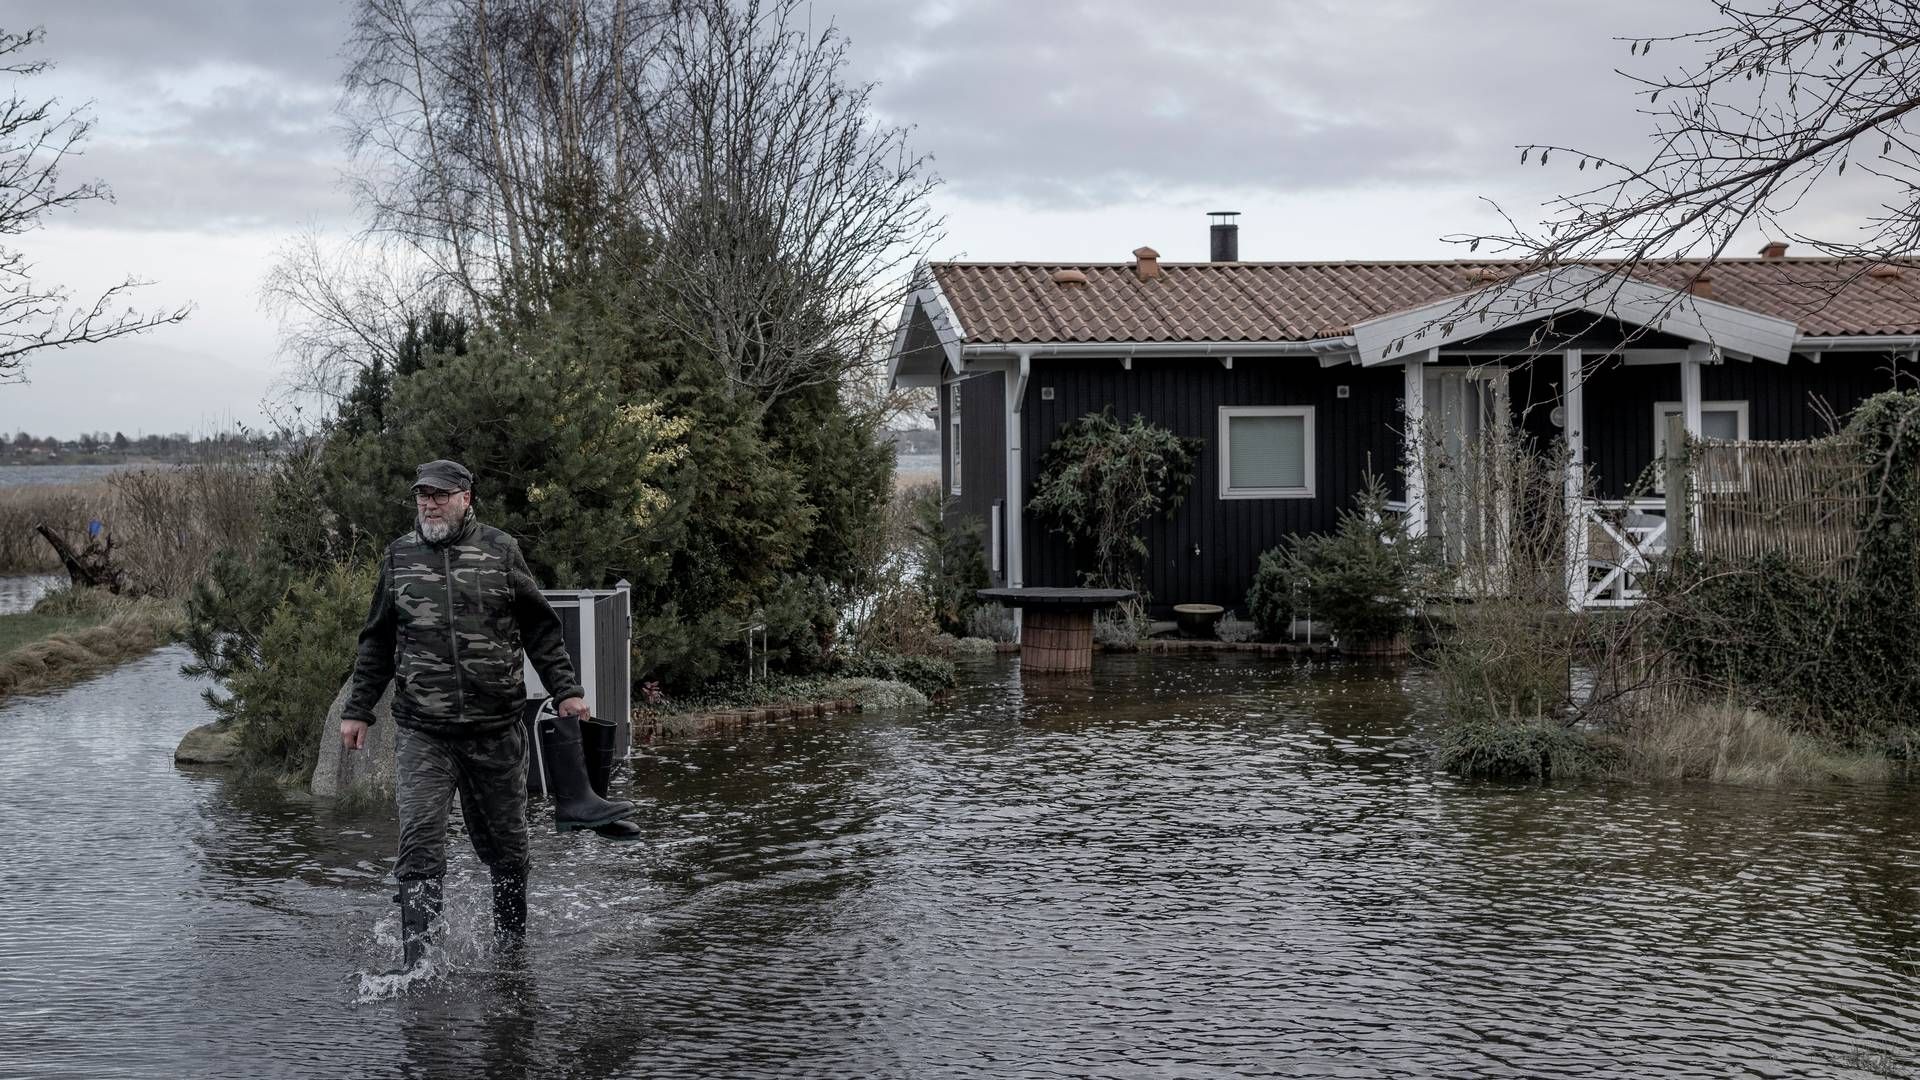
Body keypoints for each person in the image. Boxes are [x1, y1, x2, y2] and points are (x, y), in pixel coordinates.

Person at [340, 458, 633, 969]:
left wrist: (566, 689)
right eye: (421, 495)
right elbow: (378, 639)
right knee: (419, 843)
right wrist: (358, 709)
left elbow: (541, 628)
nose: (428, 503)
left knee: (508, 849)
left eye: (439, 494)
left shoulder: (501, 551)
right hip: (422, 732)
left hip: (496, 730)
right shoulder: (399, 557)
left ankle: (510, 952)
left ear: (466, 497)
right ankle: (420, 965)